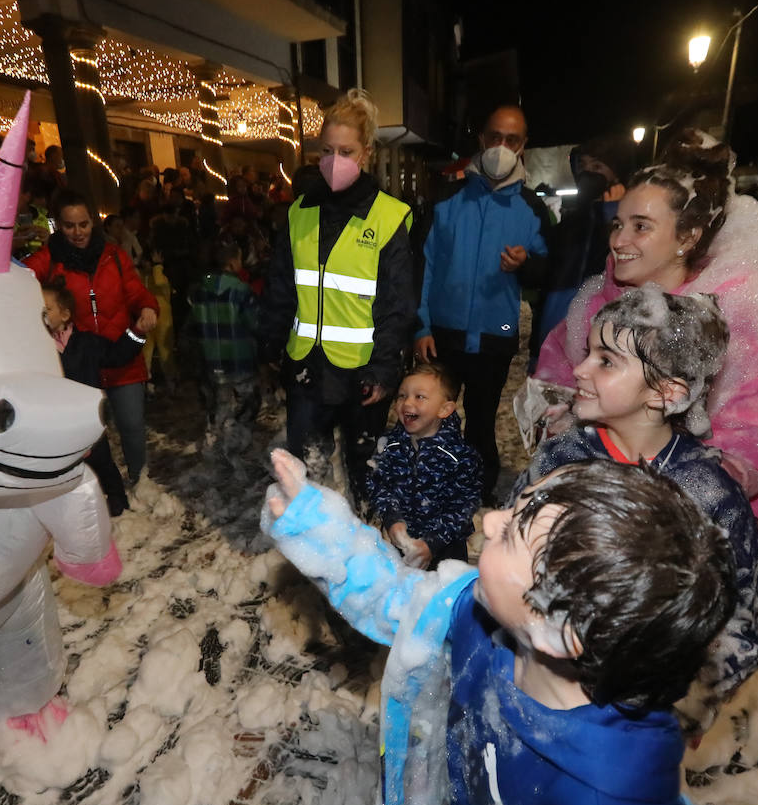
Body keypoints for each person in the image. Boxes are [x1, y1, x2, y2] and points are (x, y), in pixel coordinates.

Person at [263, 449, 735, 805]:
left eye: (513, 532)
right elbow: (400, 597)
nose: (490, 520)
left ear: (559, 628)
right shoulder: (487, 617)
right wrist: (316, 525)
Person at [535, 129, 758, 651]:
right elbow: (556, 377)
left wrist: (678, 476)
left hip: (703, 538)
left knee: (686, 665)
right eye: (619, 224)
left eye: (641, 226)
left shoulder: (740, 310)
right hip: (609, 526)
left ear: (688, 236)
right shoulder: (601, 301)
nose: (619, 239)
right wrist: (561, 422)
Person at [516, 286, 758, 733]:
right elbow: (511, 550)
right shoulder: (560, 459)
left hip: (634, 722)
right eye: (588, 352)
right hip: (537, 690)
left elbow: (745, 622)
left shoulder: (706, 493)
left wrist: (672, 704)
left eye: (606, 361)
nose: (578, 369)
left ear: (666, 392)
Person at [259, 88, 415, 508]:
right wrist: (271, 346)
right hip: (307, 367)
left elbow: (396, 304)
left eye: (345, 150)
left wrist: (384, 369)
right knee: (305, 470)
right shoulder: (300, 213)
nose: (334, 160)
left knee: (365, 468)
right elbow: (281, 285)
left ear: (365, 153)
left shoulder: (387, 216)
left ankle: (363, 545)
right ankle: (313, 549)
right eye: (326, 150)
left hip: (361, 374)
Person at [415, 104, 551, 502]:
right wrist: (420, 325)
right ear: (482, 139)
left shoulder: (531, 208)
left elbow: (548, 271)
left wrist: (527, 265)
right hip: (442, 333)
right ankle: (434, 481)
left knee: (480, 418)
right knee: (434, 417)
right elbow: (423, 266)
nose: (501, 146)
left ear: (523, 145)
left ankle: (477, 486)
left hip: (496, 334)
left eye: (511, 139)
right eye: (495, 136)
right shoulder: (446, 200)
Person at [25, 190, 158, 484]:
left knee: (132, 425)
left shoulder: (115, 256)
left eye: (83, 224)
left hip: (122, 354)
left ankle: (140, 481)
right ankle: (95, 489)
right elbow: (15, 280)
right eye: (70, 225)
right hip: (78, 363)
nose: (77, 232)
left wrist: (147, 306)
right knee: (87, 435)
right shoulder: (48, 260)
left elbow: (135, 291)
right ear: (59, 225)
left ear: (93, 222)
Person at [530, 134, 635, 371]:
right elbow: (546, 279)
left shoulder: (628, 222)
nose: (587, 174)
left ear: (616, 175)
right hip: (554, 332)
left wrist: (612, 212)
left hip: (601, 341)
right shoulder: (570, 223)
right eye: (583, 166)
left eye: (597, 166)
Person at [41, 281, 146, 516]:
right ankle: (74, 506)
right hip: (56, 422)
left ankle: (117, 498)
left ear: (65, 314)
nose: (41, 313)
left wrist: (137, 333)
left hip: (87, 419)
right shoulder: (37, 347)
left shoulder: (86, 343)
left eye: (47, 308)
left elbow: (116, 355)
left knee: (100, 459)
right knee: (66, 465)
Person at [366, 361, 482, 570]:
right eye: (402, 395)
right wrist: (392, 519)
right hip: (400, 545)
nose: (407, 403)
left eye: (419, 396)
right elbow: (378, 484)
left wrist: (433, 542)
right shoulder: (390, 445)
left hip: (446, 550)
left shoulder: (459, 455)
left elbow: (463, 506)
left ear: (445, 409)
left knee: (443, 598)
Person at [188, 240, 261, 466]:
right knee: (246, 403)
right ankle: (236, 449)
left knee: (220, 404)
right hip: (239, 360)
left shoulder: (198, 290)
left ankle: (215, 446)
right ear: (232, 262)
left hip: (211, 360)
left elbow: (193, 324)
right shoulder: (240, 290)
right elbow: (254, 322)